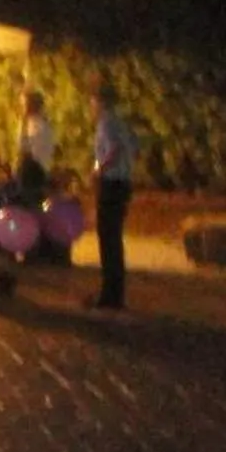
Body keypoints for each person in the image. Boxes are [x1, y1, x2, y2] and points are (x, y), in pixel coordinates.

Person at [90, 79, 138, 310]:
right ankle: (114, 292)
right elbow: (131, 148)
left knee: (107, 237)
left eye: (93, 100)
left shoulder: (106, 123)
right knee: (113, 238)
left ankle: (110, 294)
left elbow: (114, 150)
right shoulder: (120, 122)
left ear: (99, 101)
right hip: (122, 182)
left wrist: (99, 169)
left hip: (112, 183)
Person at [16, 87, 56, 203]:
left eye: (23, 104)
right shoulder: (45, 124)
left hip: (33, 174)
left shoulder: (34, 126)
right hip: (40, 171)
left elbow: (23, 148)